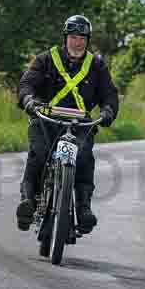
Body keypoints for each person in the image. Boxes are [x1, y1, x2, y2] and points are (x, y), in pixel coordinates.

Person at [16, 15, 119, 234]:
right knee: (39, 154)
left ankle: (83, 209)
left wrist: (109, 110)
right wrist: (28, 100)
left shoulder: (97, 65)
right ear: (66, 38)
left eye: (82, 37)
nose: (77, 42)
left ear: (87, 40)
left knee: (84, 159)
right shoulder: (46, 59)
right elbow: (26, 83)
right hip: (46, 120)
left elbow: (109, 94)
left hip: (80, 124)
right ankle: (28, 203)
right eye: (73, 37)